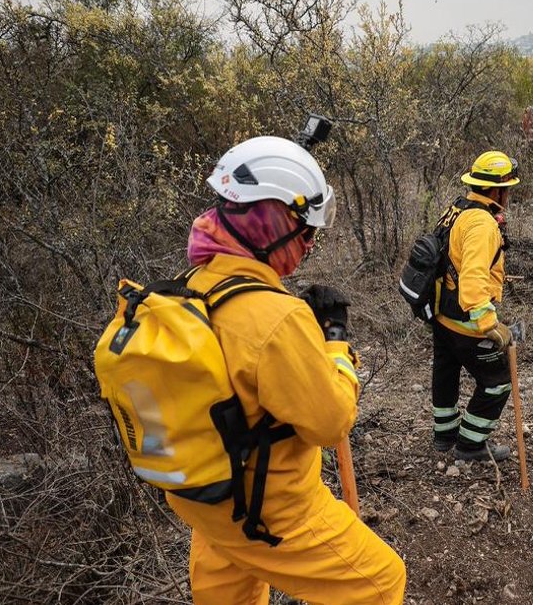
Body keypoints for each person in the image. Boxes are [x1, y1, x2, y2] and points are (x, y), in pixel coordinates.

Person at [172, 137, 406, 604]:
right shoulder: (275, 318)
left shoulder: (188, 287)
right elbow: (330, 422)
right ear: (269, 221)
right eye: (303, 230)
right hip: (270, 507)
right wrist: (336, 344)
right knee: (381, 582)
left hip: (208, 504)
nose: (310, 243)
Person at [430, 151, 520, 461]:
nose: (508, 195)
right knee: (497, 382)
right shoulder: (482, 224)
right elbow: (473, 275)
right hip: (466, 320)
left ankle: (444, 435)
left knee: (446, 371)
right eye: (507, 189)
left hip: (441, 314)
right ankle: (470, 443)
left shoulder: (456, 209)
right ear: (497, 191)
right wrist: (489, 324)